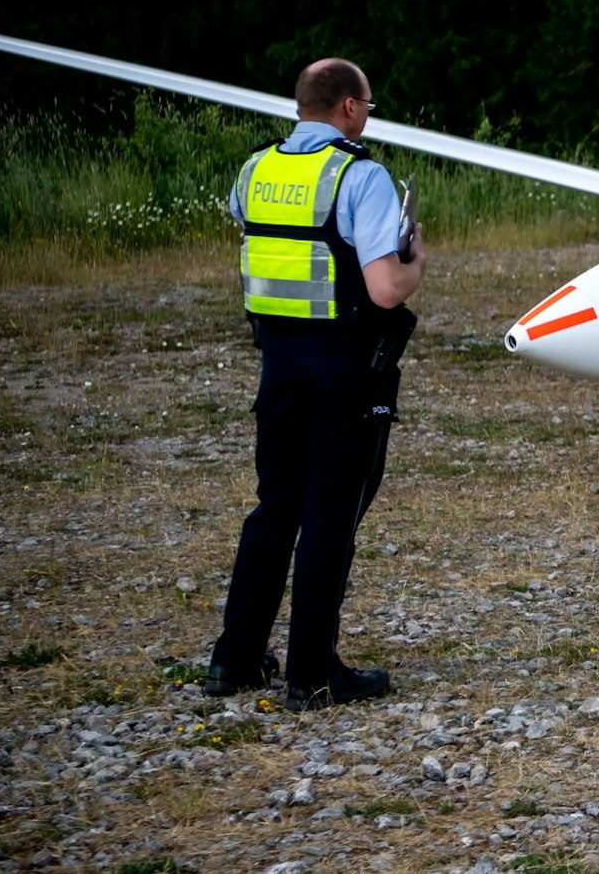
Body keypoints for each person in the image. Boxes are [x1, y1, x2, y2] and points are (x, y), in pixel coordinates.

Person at [203, 58, 428, 711]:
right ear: (350, 109)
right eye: (369, 104)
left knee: (274, 509)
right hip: (345, 366)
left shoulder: (256, 171)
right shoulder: (362, 176)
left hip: (278, 363)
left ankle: (235, 658)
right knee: (330, 516)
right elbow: (385, 288)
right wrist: (415, 262)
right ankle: (313, 672)